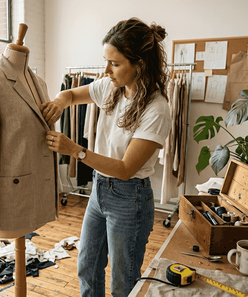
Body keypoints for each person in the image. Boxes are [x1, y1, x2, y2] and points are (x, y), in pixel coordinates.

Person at [40, 18, 171, 297]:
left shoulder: (156, 109)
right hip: (99, 191)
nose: (106, 70)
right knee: (87, 266)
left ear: (140, 64)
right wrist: (60, 102)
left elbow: (125, 169)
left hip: (129, 197)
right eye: (106, 61)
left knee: (123, 283)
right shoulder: (111, 88)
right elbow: (72, 94)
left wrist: (75, 150)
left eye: (115, 63)